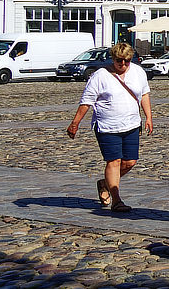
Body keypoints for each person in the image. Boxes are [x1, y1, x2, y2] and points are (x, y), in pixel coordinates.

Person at [66, 43, 153, 213]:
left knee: (130, 162)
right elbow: (87, 100)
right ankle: (117, 199)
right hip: (107, 126)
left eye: (127, 61)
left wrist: (148, 116)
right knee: (114, 161)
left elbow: (144, 94)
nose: (123, 64)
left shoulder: (138, 72)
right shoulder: (100, 75)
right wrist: (75, 123)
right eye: (119, 60)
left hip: (132, 124)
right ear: (112, 59)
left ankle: (105, 184)